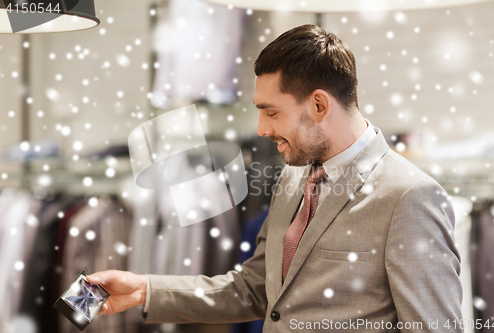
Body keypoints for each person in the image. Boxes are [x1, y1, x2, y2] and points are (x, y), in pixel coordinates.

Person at [87, 24, 463, 332]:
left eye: (270, 112)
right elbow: (257, 290)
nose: (261, 129)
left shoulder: (410, 197)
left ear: (319, 105)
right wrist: (144, 290)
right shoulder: (292, 177)